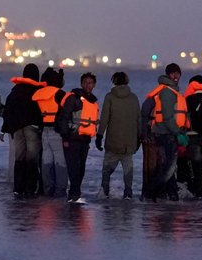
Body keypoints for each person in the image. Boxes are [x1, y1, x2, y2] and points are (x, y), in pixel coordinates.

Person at [143, 64, 186, 201]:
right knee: (169, 168)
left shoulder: (171, 91)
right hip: (166, 134)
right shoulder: (167, 92)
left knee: (168, 166)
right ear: (168, 75)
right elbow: (167, 117)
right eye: (172, 73)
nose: (175, 76)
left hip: (165, 133)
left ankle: (172, 195)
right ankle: (149, 193)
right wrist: (178, 132)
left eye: (177, 73)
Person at [0, 63, 44, 197]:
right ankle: (30, 188)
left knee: (19, 158)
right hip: (32, 127)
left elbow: (8, 111)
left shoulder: (15, 91)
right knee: (32, 159)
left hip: (16, 129)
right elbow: (40, 111)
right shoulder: (37, 91)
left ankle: (18, 188)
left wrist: (4, 129)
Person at [95, 71, 141, 199]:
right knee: (128, 169)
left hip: (113, 142)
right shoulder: (134, 98)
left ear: (114, 81)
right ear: (127, 81)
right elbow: (139, 119)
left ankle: (104, 192)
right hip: (129, 143)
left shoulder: (109, 97)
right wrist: (139, 138)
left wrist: (99, 136)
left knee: (107, 169)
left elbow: (104, 119)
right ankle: (128, 193)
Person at [33, 67, 71, 197]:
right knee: (60, 162)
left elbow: (37, 114)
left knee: (46, 161)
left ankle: (48, 189)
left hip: (44, 132)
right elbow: (67, 112)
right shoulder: (60, 94)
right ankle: (60, 191)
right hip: (57, 131)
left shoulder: (39, 94)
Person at [62, 72, 99, 204]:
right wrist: (65, 138)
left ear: (94, 85)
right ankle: (75, 195)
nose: (88, 85)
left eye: (90, 83)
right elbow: (64, 117)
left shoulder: (93, 101)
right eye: (85, 83)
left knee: (81, 168)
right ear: (81, 84)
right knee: (73, 168)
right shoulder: (74, 98)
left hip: (85, 139)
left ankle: (73, 194)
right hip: (72, 138)